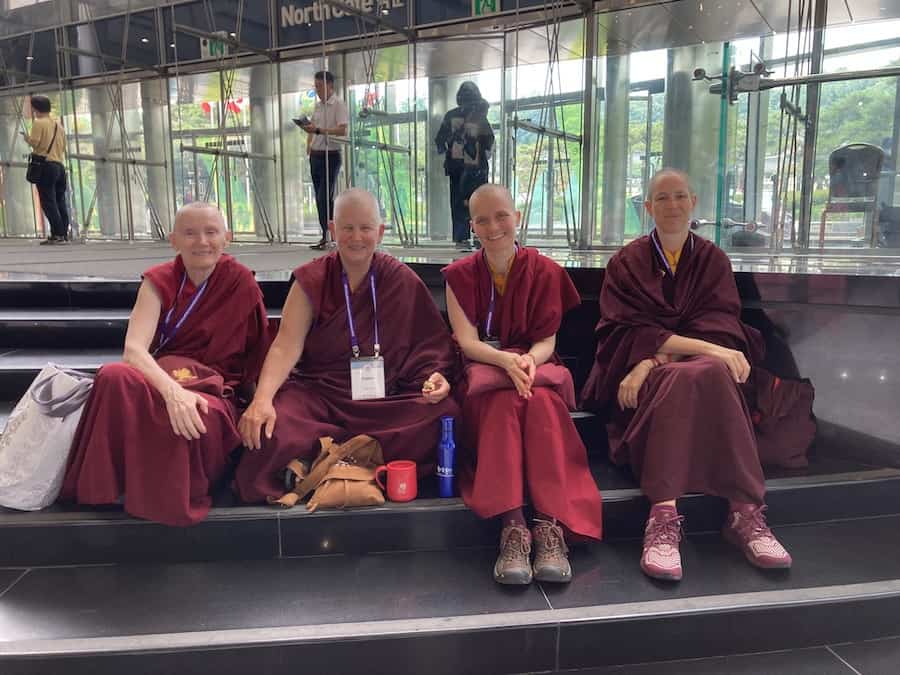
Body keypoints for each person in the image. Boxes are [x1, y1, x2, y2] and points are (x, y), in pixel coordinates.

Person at [581, 169, 797, 582]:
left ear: (693, 202)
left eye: (680, 196)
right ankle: (729, 512)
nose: (673, 205)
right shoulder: (625, 263)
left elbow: (720, 324)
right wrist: (696, 352)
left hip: (671, 371)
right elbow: (620, 332)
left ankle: (683, 512)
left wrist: (654, 358)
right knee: (709, 368)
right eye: (662, 198)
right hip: (642, 383)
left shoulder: (713, 259)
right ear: (647, 208)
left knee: (707, 372)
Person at [235, 188, 459, 503]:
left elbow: (431, 346)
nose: (357, 237)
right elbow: (285, 346)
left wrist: (437, 378)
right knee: (276, 425)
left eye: (366, 228)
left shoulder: (401, 279)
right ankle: (351, 461)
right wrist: (262, 400)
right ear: (332, 230)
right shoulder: (312, 279)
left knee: (443, 414)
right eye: (347, 228)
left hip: (384, 397)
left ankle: (315, 462)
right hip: (321, 395)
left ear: (380, 232)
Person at [60, 203, 270, 526]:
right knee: (113, 375)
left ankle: (165, 495)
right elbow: (133, 351)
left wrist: (258, 404)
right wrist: (173, 392)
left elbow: (255, 356)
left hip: (213, 387)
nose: (201, 241)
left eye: (211, 232)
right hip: (162, 376)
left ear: (226, 238)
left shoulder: (241, 283)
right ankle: (106, 487)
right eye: (190, 233)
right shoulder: (159, 280)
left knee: (200, 411)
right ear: (173, 240)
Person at [443, 184, 602, 586]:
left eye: (501, 216)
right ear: (472, 226)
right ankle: (513, 526)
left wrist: (528, 360)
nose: (493, 226)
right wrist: (505, 361)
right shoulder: (459, 276)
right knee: (500, 404)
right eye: (482, 219)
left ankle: (549, 526)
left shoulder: (546, 270)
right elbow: (467, 341)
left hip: (533, 367)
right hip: (485, 369)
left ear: (517, 217)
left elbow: (548, 340)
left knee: (541, 406)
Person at [435, 82, 494, 249]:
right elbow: (489, 141)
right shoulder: (480, 116)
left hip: (457, 168)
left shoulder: (451, 115)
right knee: (479, 204)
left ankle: (461, 239)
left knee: (458, 203)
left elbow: (440, 140)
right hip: (477, 169)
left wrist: (449, 149)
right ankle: (479, 236)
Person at [299, 70, 349, 250]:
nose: (318, 90)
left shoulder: (339, 105)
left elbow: (342, 130)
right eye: (316, 86)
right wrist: (309, 140)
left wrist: (319, 130)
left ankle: (331, 234)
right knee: (319, 197)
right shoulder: (318, 106)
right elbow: (314, 127)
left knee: (324, 197)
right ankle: (325, 234)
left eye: (320, 86)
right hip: (316, 154)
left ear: (330, 85)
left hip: (331, 155)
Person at [23, 95, 69, 245]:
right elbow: (63, 148)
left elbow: (36, 143)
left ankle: (57, 234)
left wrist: (27, 138)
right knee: (59, 200)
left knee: (48, 201)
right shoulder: (59, 126)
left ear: (35, 108)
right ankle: (63, 233)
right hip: (59, 167)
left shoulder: (39, 123)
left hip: (46, 167)